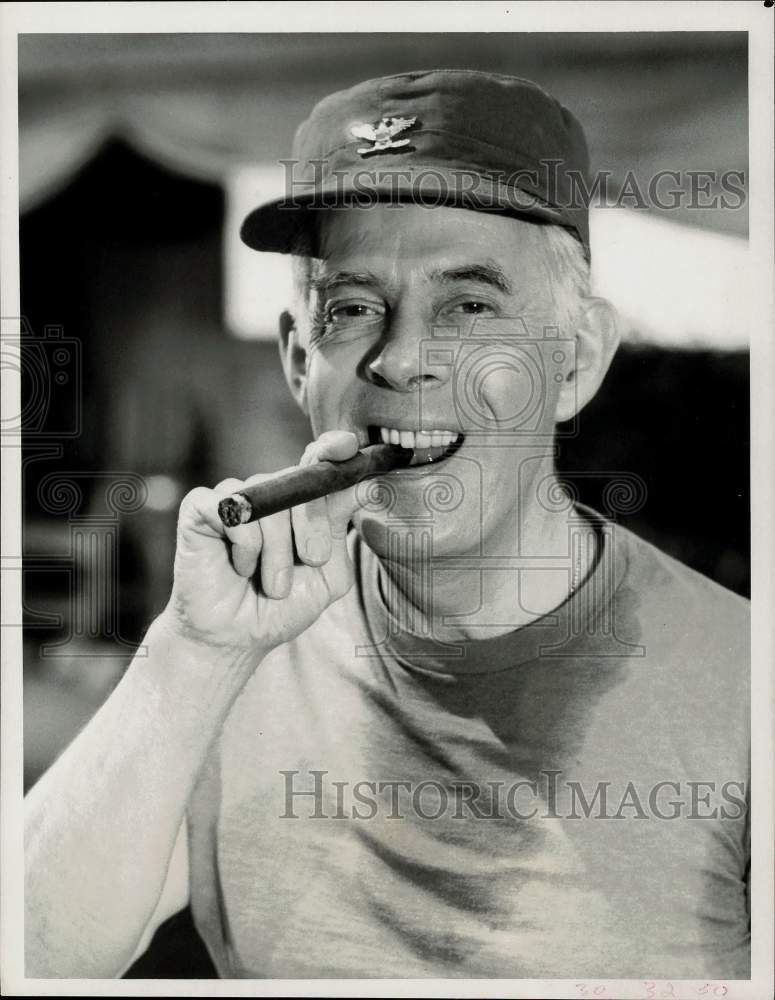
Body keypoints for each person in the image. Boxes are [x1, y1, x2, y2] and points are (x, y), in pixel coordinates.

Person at [25, 69, 749, 980]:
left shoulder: (743, 688)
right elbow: (32, 957)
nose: (402, 358)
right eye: (355, 307)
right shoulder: (232, 664)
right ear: (300, 359)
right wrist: (194, 652)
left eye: (470, 305)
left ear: (575, 362)